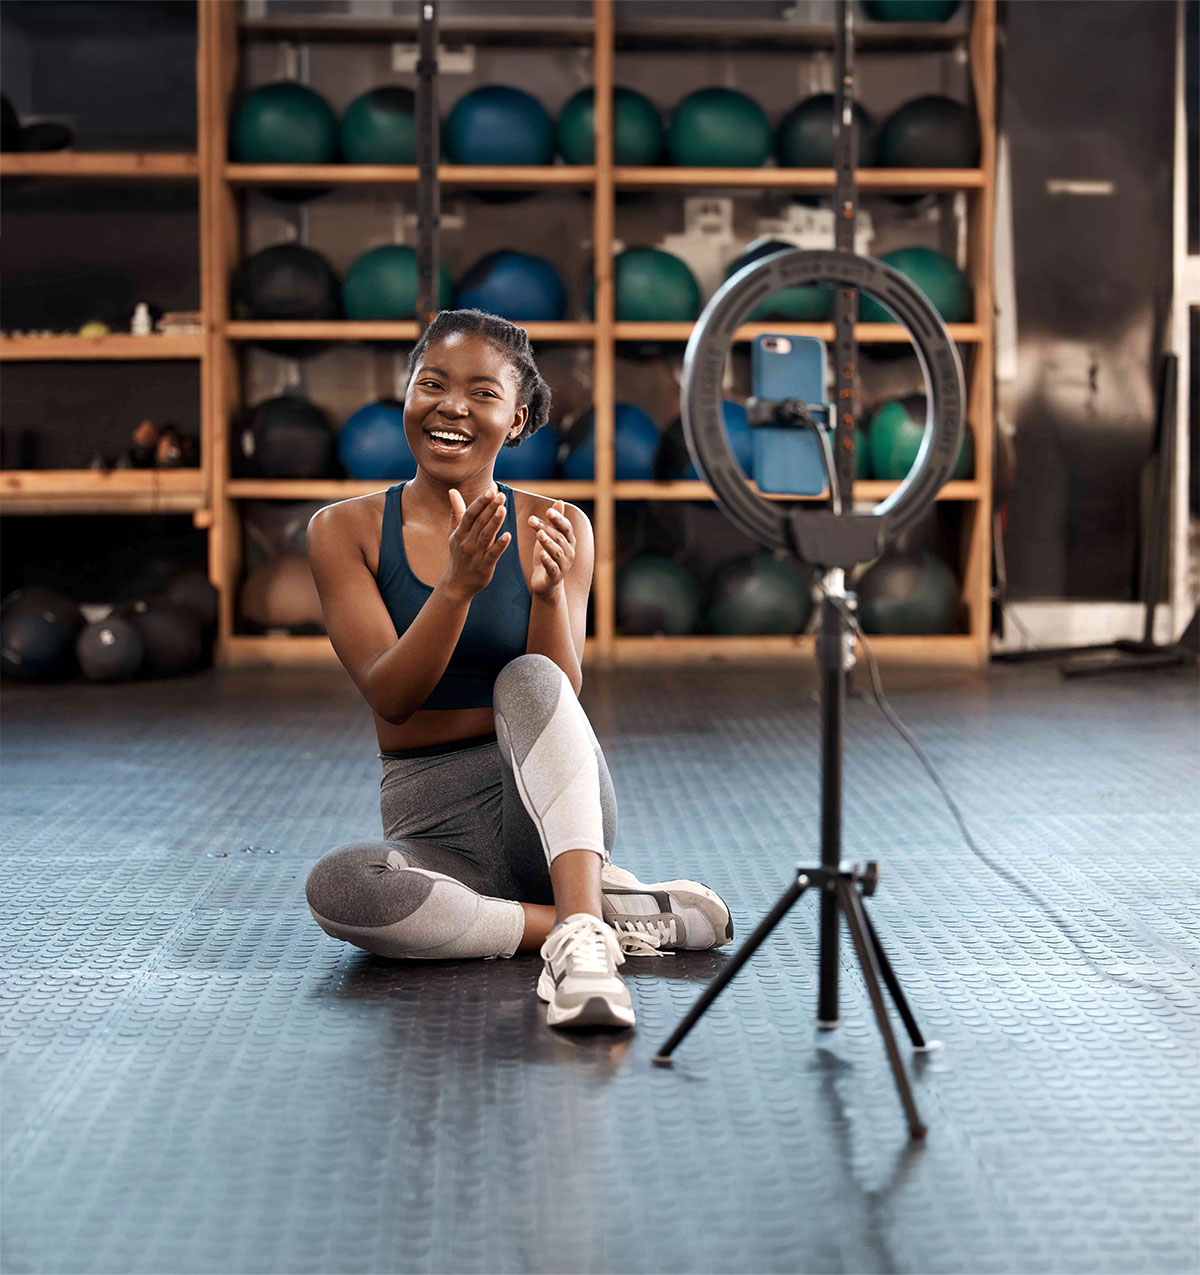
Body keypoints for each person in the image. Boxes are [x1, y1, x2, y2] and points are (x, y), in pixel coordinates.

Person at [303, 309, 732, 1031]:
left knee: (529, 678)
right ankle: (592, 918)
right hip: (432, 829)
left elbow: (560, 697)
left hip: (547, 815)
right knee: (340, 887)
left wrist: (546, 598)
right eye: (432, 384)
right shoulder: (342, 530)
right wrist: (456, 589)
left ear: (517, 418)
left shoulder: (559, 525)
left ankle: (581, 947)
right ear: (407, 393)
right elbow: (393, 695)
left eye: (482, 393)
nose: (452, 407)